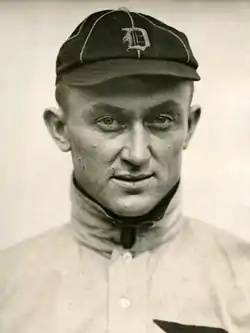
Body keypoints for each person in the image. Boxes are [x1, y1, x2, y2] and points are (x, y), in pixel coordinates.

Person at [0, 7, 249, 333]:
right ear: (60, 129)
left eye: (161, 120)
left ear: (189, 126)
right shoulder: (7, 286)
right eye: (108, 121)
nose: (136, 154)